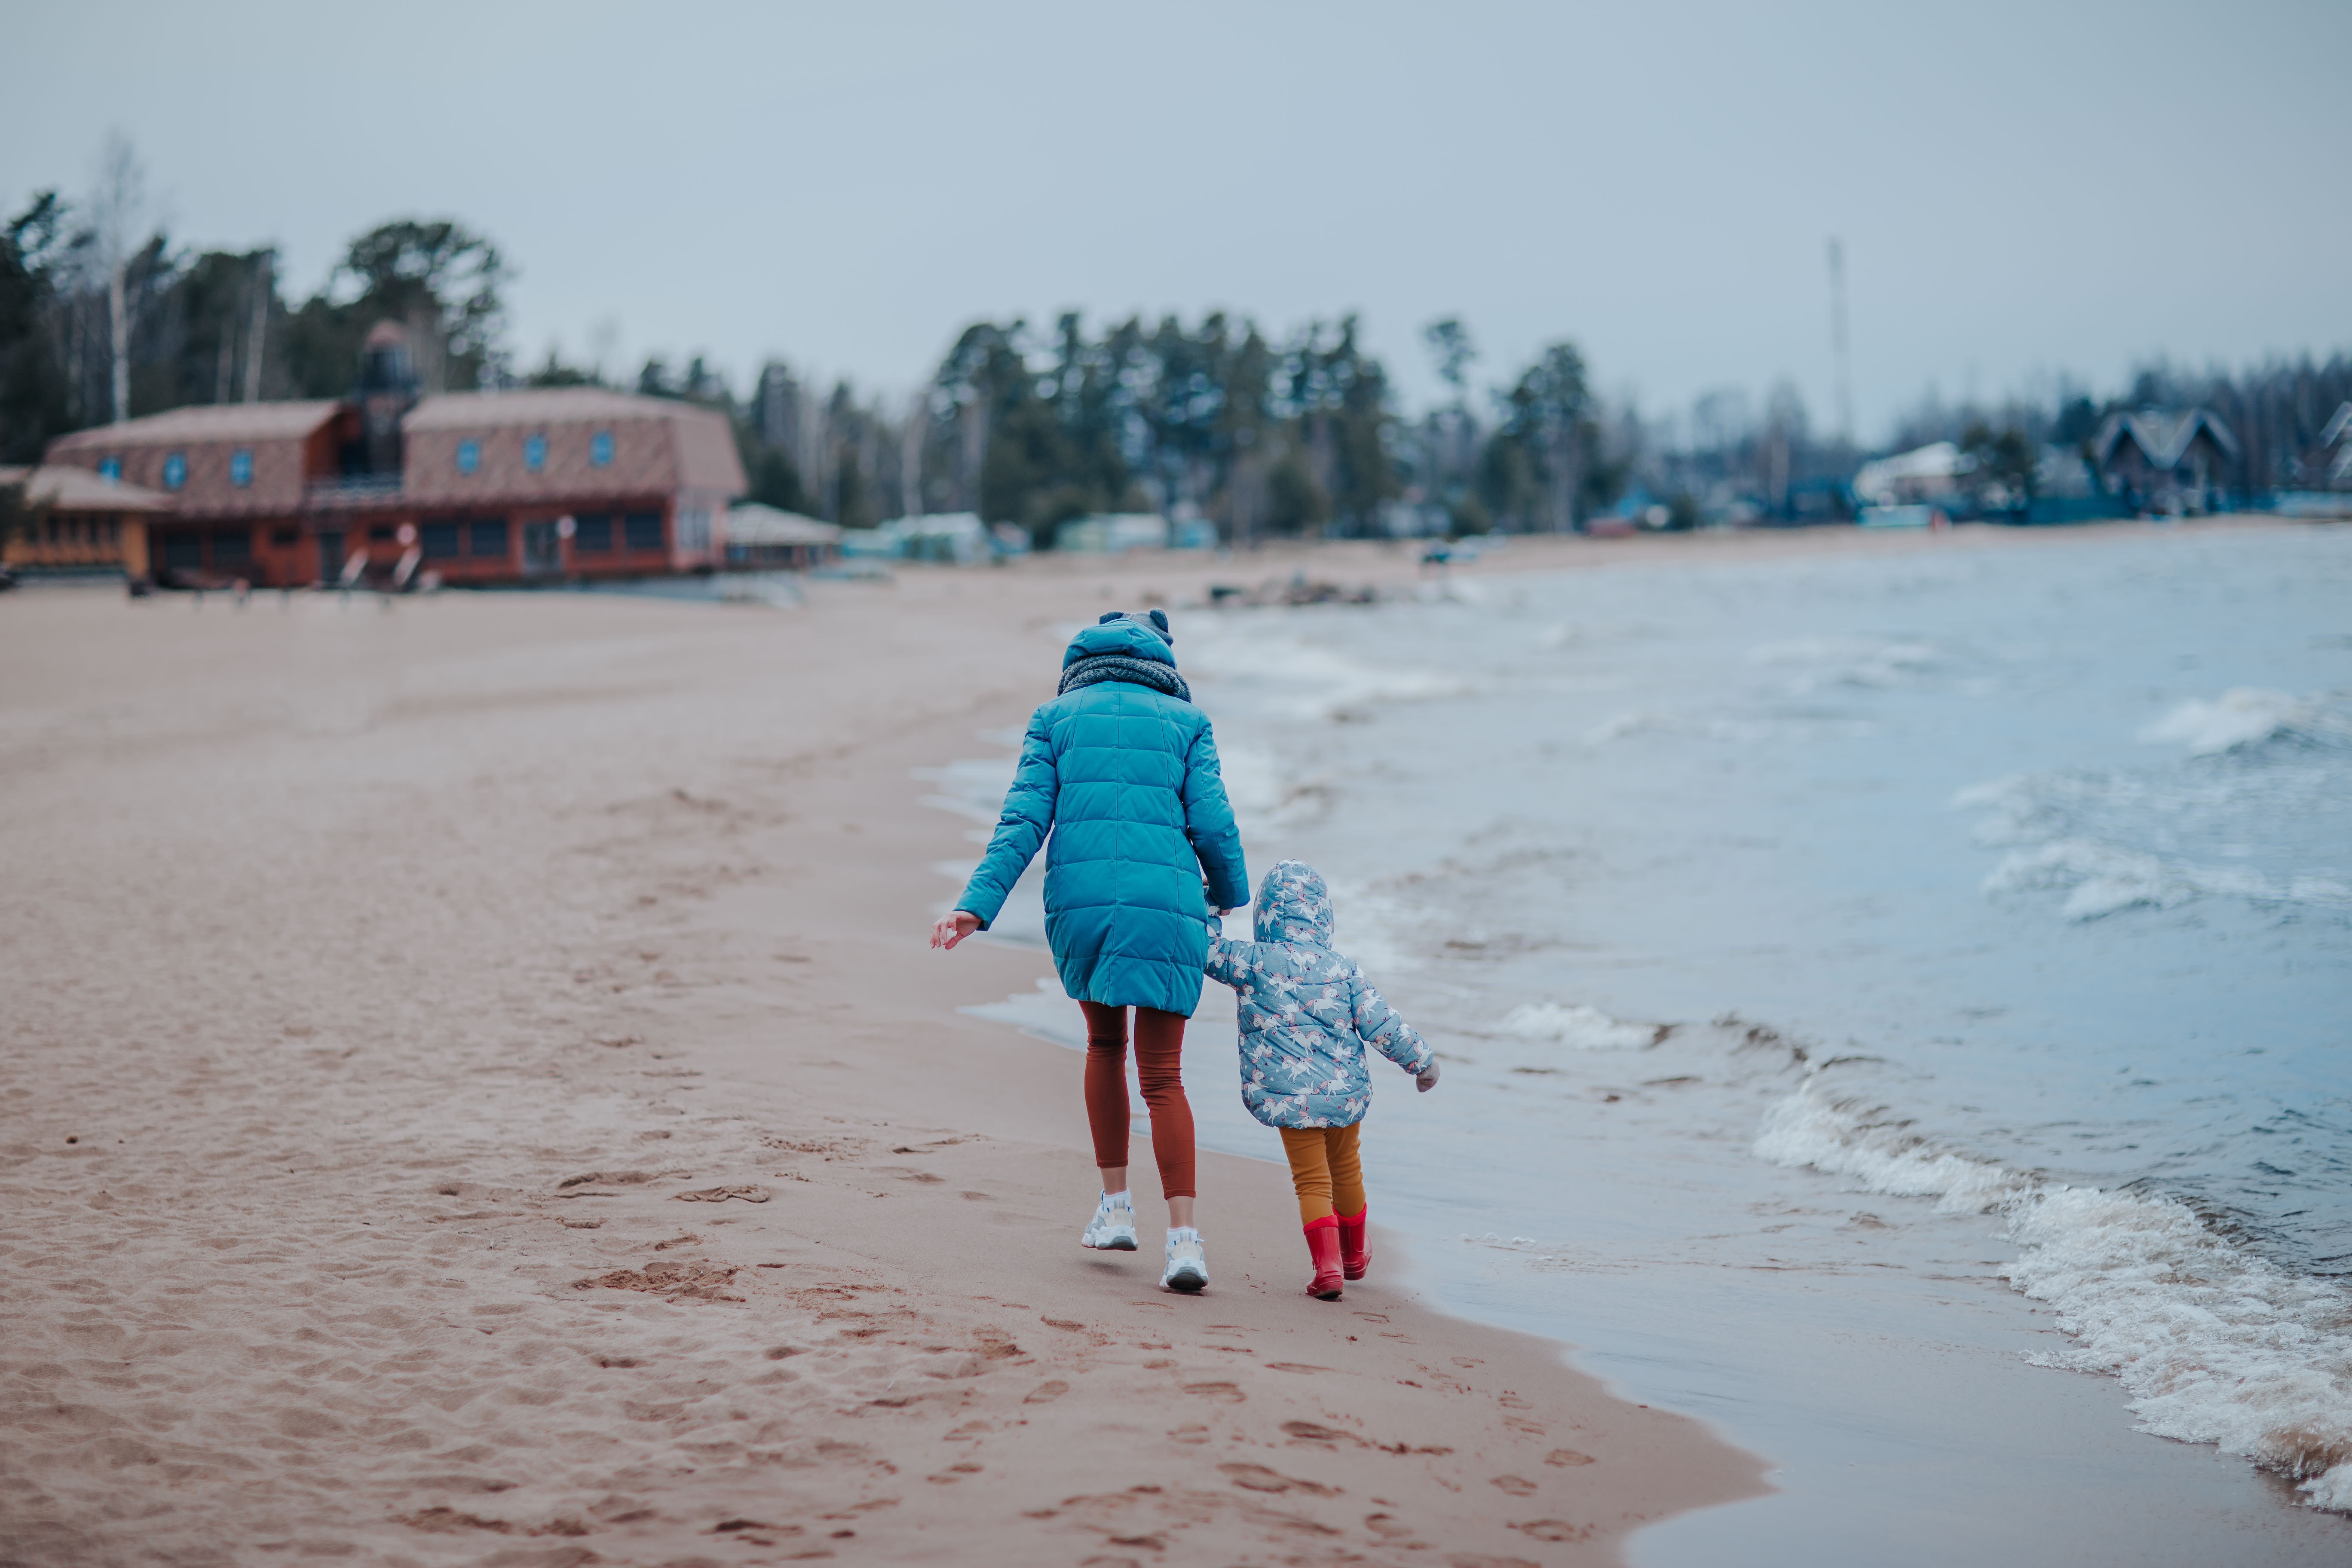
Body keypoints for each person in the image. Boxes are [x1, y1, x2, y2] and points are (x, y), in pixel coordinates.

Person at [931, 609, 1248, 1292]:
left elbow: (1023, 820)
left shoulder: (1055, 717)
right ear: (1163, 657)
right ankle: (1186, 1244)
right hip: (1168, 907)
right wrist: (1229, 896)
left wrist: (975, 906)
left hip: (1081, 908)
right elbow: (1214, 825)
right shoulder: (1187, 724)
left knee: (1105, 1047)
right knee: (1163, 1075)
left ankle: (1114, 1210)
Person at [1203, 859, 1438, 1300]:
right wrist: (1421, 1062)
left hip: (1289, 1098)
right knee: (1347, 1167)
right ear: (1324, 917)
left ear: (1264, 915)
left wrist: (1210, 904)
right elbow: (1383, 1024)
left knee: (1311, 1180)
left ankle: (1327, 1268)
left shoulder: (1253, 961)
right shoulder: (1343, 969)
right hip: (1342, 1096)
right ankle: (1352, 1256)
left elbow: (1202, 948)